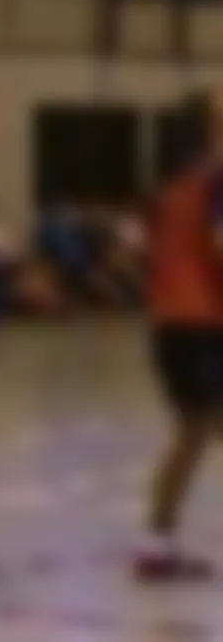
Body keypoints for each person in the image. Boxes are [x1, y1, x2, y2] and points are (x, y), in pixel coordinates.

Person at [138, 89, 223, 582]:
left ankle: (157, 544)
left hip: (175, 324)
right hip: (197, 324)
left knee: (194, 433)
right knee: (195, 431)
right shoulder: (213, 181)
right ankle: (156, 544)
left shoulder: (176, 185)